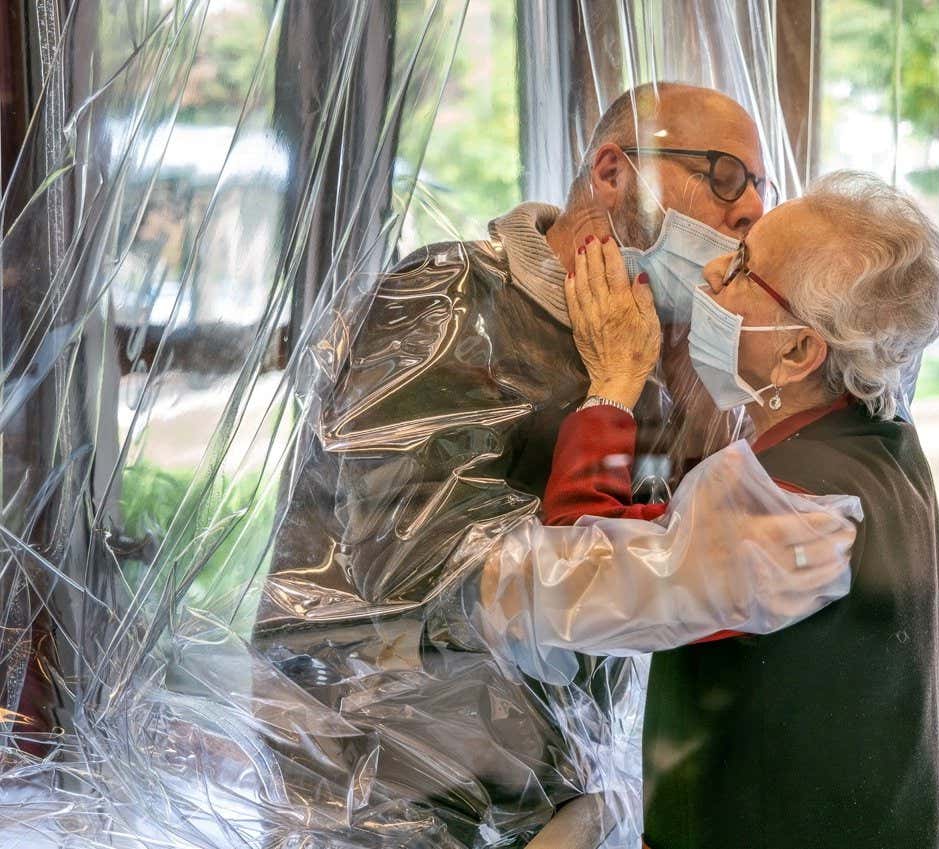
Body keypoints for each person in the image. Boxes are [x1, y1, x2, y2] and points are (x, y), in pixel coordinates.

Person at [252, 83, 857, 847]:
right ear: (612, 172)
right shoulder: (446, 299)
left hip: (544, 789)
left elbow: (660, 548)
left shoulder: (658, 348)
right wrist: (613, 393)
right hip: (384, 786)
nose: (749, 213)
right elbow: (415, 568)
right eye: (725, 176)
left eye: (760, 191)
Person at [543, 170, 939, 849]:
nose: (713, 263)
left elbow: (572, 584)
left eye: (743, 266)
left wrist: (611, 388)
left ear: (799, 350)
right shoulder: (876, 437)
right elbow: (694, 549)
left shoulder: (797, 505)